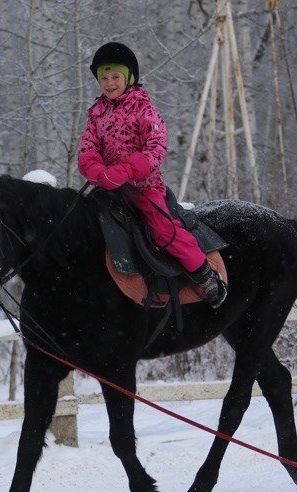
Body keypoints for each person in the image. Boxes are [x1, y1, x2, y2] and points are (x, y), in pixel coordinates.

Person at [78, 42, 227, 308]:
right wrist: (98, 171)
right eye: (104, 78)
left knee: (162, 230)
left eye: (115, 77)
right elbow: (88, 149)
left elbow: (156, 147)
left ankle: (205, 274)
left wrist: (125, 171)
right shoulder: (96, 114)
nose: (109, 83)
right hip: (108, 190)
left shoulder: (142, 108)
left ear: (129, 78)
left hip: (143, 188)